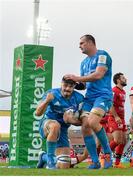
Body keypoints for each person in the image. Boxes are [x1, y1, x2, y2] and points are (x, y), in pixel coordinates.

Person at [65, 34, 113, 169]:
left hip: (103, 96)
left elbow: (98, 75)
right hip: (90, 97)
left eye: (82, 43)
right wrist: (72, 82)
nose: (79, 46)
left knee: (92, 122)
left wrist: (77, 77)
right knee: (85, 126)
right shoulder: (84, 63)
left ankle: (108, 154)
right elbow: (84, 85)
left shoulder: (102, 55)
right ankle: (95, 161)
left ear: (91, 43)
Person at [36, 77, 84, 169]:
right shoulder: (52, 93)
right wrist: (47, 101)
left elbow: (82, 121)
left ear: (74, 87)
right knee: (55, 125)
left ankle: (43, 157)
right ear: (61, 83)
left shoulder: (79, 98)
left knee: (63, 165)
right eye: (65, 85)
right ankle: (50, 159)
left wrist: (72, 120)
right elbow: (38, 113)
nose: (67, 88)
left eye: (70, 86)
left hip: (63, 129)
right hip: (47, 123)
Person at [107, 72, 127, 168]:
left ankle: (117, 163)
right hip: (114, 118)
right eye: (123, 78)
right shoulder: (114, 90)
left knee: (124, 141)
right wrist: (116, 116)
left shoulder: (123, 92)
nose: (125, 79)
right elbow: (110, 105)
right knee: (117, 140)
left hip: (121, 119)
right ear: (118, 80)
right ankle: (104, 156)